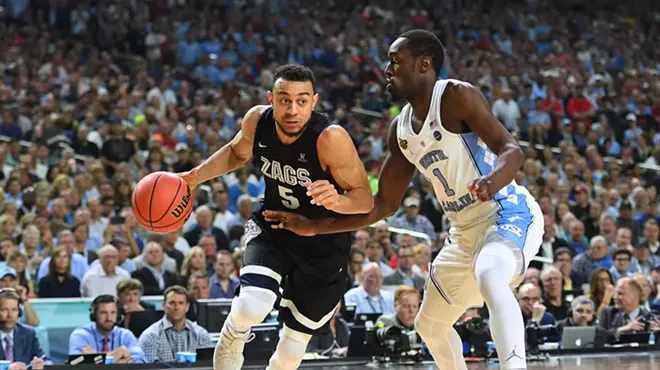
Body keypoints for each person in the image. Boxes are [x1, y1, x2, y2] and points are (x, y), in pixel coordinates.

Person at [263, 30, 544, 370]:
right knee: (430, 326)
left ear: (424, 65)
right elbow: (383, 205)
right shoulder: (401, 131)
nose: (387, 70)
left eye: (396, 62)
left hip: (506, 212)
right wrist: (316, 226)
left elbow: (512, 149)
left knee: (490, 274)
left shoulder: (455, 96)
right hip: (464, 231)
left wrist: (493, 180)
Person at [179, 64, 372, 370]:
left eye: (302, 100)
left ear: (314, 101)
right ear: (271, 99)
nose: (292, 109)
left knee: (292, 349)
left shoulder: (330, 139)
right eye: (284, 99)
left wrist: (339, 199)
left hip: (324, 242)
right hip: (275, 225)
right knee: (251, 305)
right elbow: (236, 152)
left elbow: (364, 199)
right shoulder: (258, 120)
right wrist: (194, 177)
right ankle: (233, 334)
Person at [68, 295, 146, 364]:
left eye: (113, 313)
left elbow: (140, 361)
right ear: (94, 315)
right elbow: (75, 363)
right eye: (103, 313)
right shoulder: (80, 335)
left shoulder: (125, 335)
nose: (109, 318)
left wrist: (96, 359)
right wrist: (118, 355)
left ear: (118, 315)